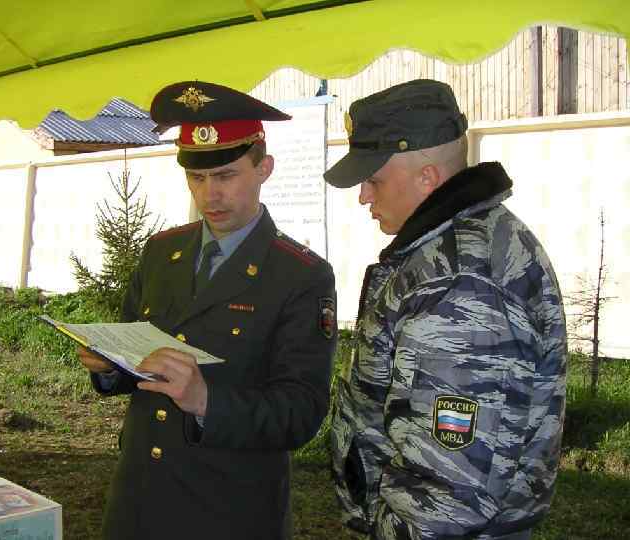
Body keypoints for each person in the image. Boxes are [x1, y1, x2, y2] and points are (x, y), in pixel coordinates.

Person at [77, 80, 337, 540]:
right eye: (196, 178)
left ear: (264, 168)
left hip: (228, 511)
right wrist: (108, 366)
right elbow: (134, 363)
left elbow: (301, 412)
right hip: (139, 501)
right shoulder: (160, 253)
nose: (209, 195)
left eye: (225, 176)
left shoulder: (300, 275)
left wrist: (205, 402)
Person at [324, 79, 567, 540]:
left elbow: (448, 495)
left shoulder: (459, 283)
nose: (363, 197)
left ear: (428, 177)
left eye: (372, 180)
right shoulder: (452, 252)